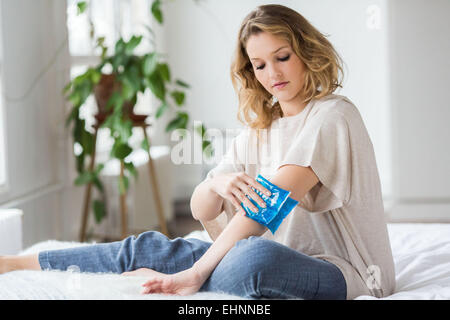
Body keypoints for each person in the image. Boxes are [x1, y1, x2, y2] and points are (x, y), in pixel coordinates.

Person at [0, 4, 395, 300]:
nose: (272, 74)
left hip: (349, 273)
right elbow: (200, 208)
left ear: (305, 51)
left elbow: (265, 208)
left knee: (252, 259)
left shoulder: (332, 116)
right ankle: (16, 263)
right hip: (280, 253)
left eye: (282, 57)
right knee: (151, 246)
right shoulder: (262, 128)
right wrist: (217, 182)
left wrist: (193, 274)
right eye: (258, 65)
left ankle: (186, 279)